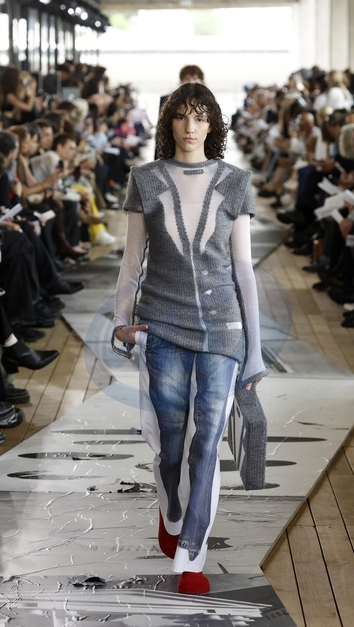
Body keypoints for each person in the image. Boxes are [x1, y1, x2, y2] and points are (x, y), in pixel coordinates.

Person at [111, 83, 266, 594]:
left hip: (223, 328)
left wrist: (255, 350)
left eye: (200, 116)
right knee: (171, 443)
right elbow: (132, 261)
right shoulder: (145, 179)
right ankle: (172, 510)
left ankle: (192, 556)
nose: (190, 126)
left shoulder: (236, 182)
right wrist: (120, 320)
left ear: (213, 124)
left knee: (208, 442)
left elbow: (243, 269)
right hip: (162, 323)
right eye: (181, 116)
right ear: (169, 123)